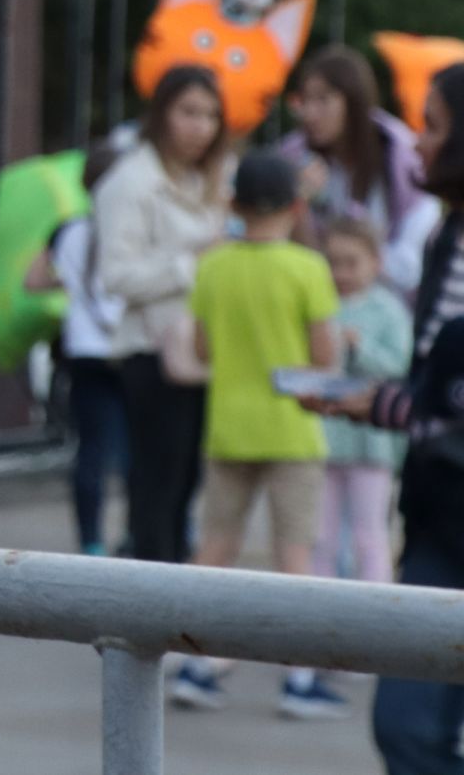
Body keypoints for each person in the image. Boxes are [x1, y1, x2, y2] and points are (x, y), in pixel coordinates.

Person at [302, 64, 464, 773]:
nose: (417, 146)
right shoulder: (444, 235)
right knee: (407, 727)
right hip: (438, 515)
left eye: (432, 125)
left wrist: (390, 402)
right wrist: (373, 400)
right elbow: (436, 391)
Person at [168, 150, 343, 717]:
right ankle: (299, 680)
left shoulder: (214, 266)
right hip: (292, 429)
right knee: (295, 557)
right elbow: (323, 356)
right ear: (297, 205)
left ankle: (195, 665)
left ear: (235, 203)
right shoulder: (307, 268)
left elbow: (200, 350)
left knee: (215, 547)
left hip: (228, 426)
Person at [97, 64, 232, 565]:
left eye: (211, 115)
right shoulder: (130, 182)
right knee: (157, 483)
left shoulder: (211, 180)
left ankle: (177, 606)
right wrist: (193, 265)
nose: (201, 126)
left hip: (205, 350)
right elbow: (116, 275)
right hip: (152, 352)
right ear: (161, 113)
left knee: (188, 483)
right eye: (189, 112)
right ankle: (154, 608)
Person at [24, 141, 126, 554]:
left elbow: (32, 280)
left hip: (82, 351)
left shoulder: (67, 230)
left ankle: (91, 541)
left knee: (90, 451)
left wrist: (68, 282)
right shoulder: (130, 230)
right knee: (139, 450)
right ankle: (139, 534)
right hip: (128, 349)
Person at [283, 45, 442, 301]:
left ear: (354, 99)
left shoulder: (400, 155)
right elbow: (286, 251)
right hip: (318, 308)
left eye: (323, 100)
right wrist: (297, 204)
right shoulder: (292, 159)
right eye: (305, 100)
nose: (310, 113)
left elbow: (411, 262)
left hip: (392, 310)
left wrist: (355, 262)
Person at [313, 216, 411, 588]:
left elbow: (398, 364)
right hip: (325, 436)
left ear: (376, 262)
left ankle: (377, 609)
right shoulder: (320, 305)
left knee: (368, 534)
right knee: (320, 534)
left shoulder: (389, 309)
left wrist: (359, 346)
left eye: (351, 262)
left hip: (372, 440)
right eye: (333, 262)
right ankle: (319, 607)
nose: (341, 272)